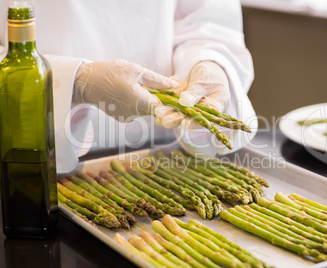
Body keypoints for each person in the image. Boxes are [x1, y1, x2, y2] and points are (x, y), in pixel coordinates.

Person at [0, 0, 257, 174]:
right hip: (35, 164)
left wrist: (208, 63)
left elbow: (204, 20)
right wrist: (72, 83)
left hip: (164, 158)